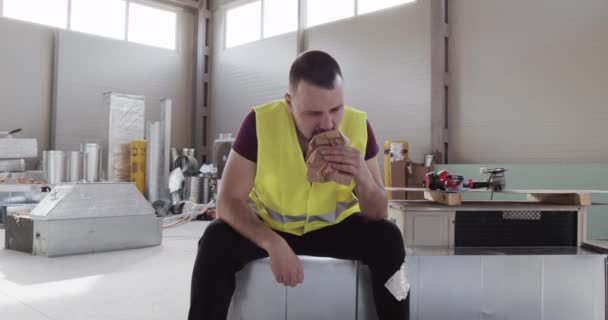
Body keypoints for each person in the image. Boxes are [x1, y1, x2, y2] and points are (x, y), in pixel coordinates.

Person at [188, 50, 409, 320]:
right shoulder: (260, 123)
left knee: (388, 237)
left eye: (336, 109)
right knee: (215, 239)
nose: (327, 123)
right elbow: (228, 202)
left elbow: (378, 212)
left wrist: (362, 174)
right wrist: (273, 243)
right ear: (289, 103)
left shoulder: (359, 125)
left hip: (335, 229)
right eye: (313, 113)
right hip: (272, 226)